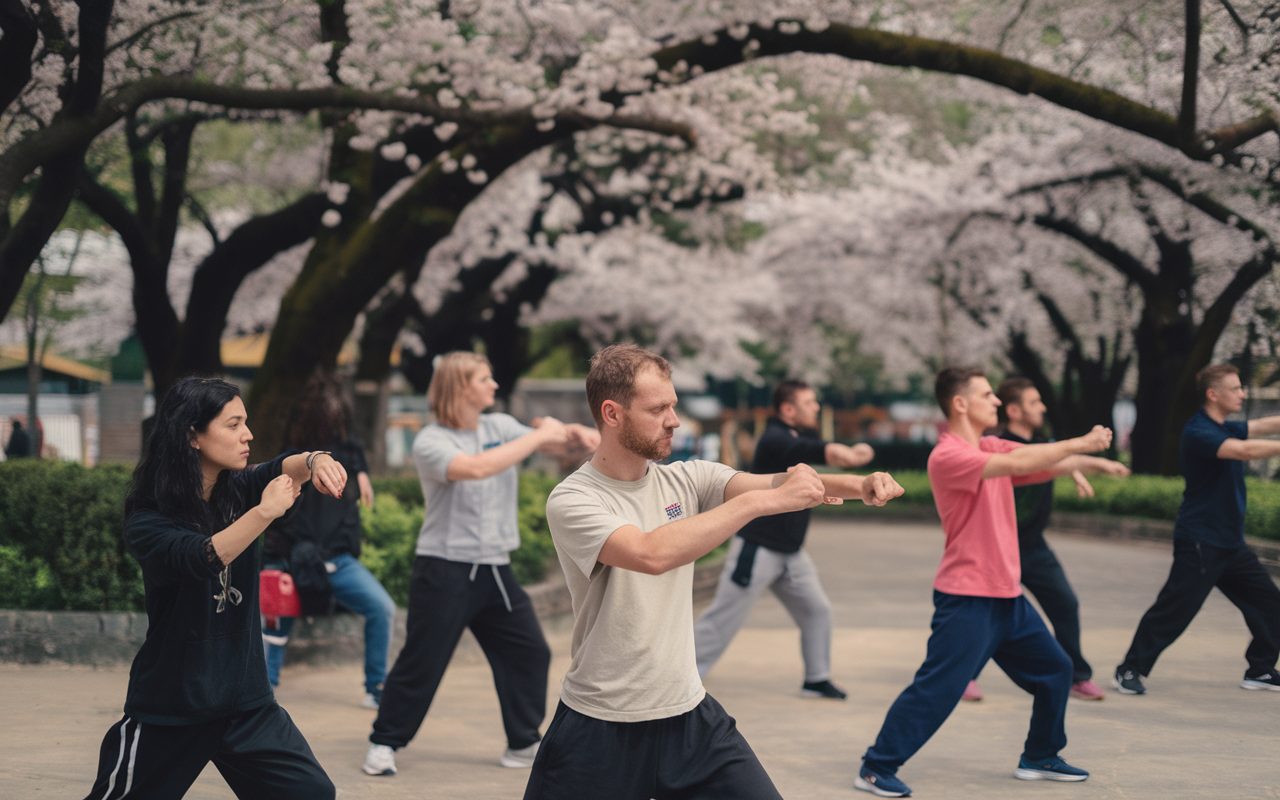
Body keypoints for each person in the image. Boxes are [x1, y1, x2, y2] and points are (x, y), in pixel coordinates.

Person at [525, 344, 904, 800]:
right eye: (658, 408)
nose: (674, 420)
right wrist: (759, 504)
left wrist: (860, 486)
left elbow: (776, 483)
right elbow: (650, 554)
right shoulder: (574, 500)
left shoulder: (685, 478)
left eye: (674, 406)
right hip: (599, 723)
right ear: (612, 413)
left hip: (689, 718)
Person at [856, 367, 1123, 798]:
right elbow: (1019, 461)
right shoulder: (949, 455)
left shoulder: (988, 445)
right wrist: (1081, 443)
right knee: (939, 688)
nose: (996, 401)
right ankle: (876, 766)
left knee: (1057, 670)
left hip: (1006, 596)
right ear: (960, 403)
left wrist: (1086, 462)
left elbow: (1033, 462)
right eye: (986, 394)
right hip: (967, 597)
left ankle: (1040, 755)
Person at [82, 376, 346, 800]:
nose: (248, 435)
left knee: (310, 792)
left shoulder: (236, 488)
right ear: (192, 436)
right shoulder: (149, 517)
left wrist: (315, 461)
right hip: (173, 705)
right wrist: (264, 513)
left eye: (246, 423)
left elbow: (282, 465)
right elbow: (202, 557)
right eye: (234, 424)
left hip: (245, 702)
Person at [363, 351, 599, 777]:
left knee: (529, 652)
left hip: (494, 570)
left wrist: (576, 434)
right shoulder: (431, 441)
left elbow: (556, 440)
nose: (494, 385)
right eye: (485, 379)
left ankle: (523, 742)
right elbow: (475, 469)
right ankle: (384, 742)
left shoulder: (499, 426)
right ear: (461, 387)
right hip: (444, 570)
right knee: (423, 662)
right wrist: (536, 436)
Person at [694, 379, 874, 699]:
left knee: (817, 611)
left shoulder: (802, 433)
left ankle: (816, 679)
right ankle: (682, 674)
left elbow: (813, 450)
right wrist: (851, 455)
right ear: (788, 409)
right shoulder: (775, 439)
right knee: (723, 617)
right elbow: (817, 452)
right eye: (809, 403)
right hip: (758, 549)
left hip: (791, 553)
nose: (816, 408)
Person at [1114, 364, 1280, 696]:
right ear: (1213, 394)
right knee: (1176, 608)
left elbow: (1263, 424)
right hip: (1200, 540)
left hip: (1231, 544)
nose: (1242, 394)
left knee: (1270, 604)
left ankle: (1260, 670)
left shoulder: (1225, 427)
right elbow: (1243, 451)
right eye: (1235, 389)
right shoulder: (1199, 431)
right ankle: (1130, 668)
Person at [963, 378, 1128, 704]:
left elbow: (1047, 460)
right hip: (999, 547)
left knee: (1065, 603)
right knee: (990, 615)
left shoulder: (1042, 442)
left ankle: (1077, 677)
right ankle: (966, 675)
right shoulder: (995, 445)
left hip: (1034, 545)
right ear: (1014, 410)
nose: (1043, 407)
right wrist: (1086, 458)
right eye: (1034, 402)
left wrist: (1073, 471)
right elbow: (1025, 462)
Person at [262, 373, 395, 709]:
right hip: (293, 560)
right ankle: (263, 690)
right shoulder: (290, 460)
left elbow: (352, 446)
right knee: (272, 615)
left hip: (338, 562)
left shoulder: (348, 456)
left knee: (382, 608)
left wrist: (362, 470)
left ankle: (375, 687)